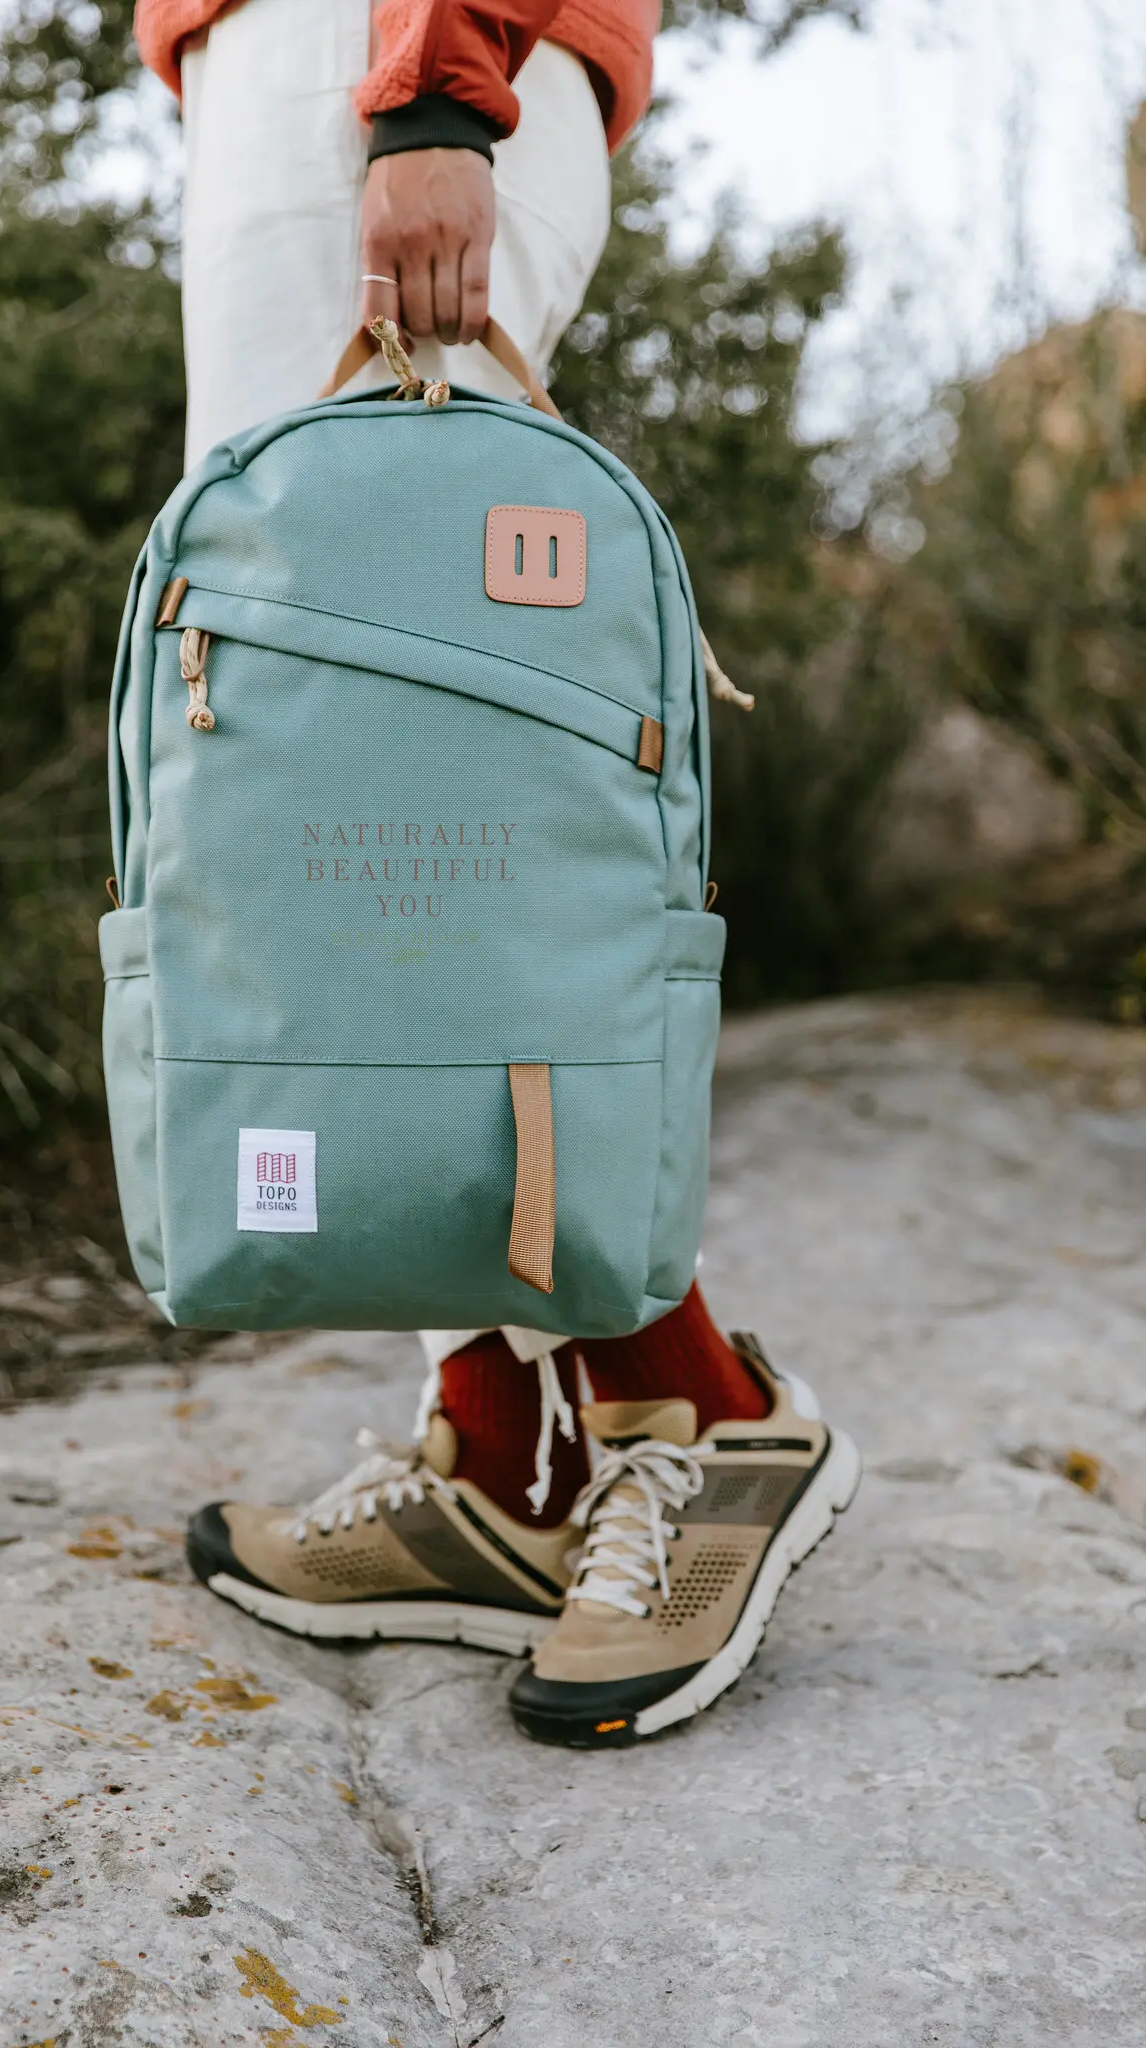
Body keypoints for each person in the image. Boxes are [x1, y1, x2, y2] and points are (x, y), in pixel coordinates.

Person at [132, 0, 859, 1747]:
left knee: (392, 767)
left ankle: (694, 1416)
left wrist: (432, 97)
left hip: (390, 49)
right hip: (312, 59)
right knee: (346, 818)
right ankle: (508, 1456)